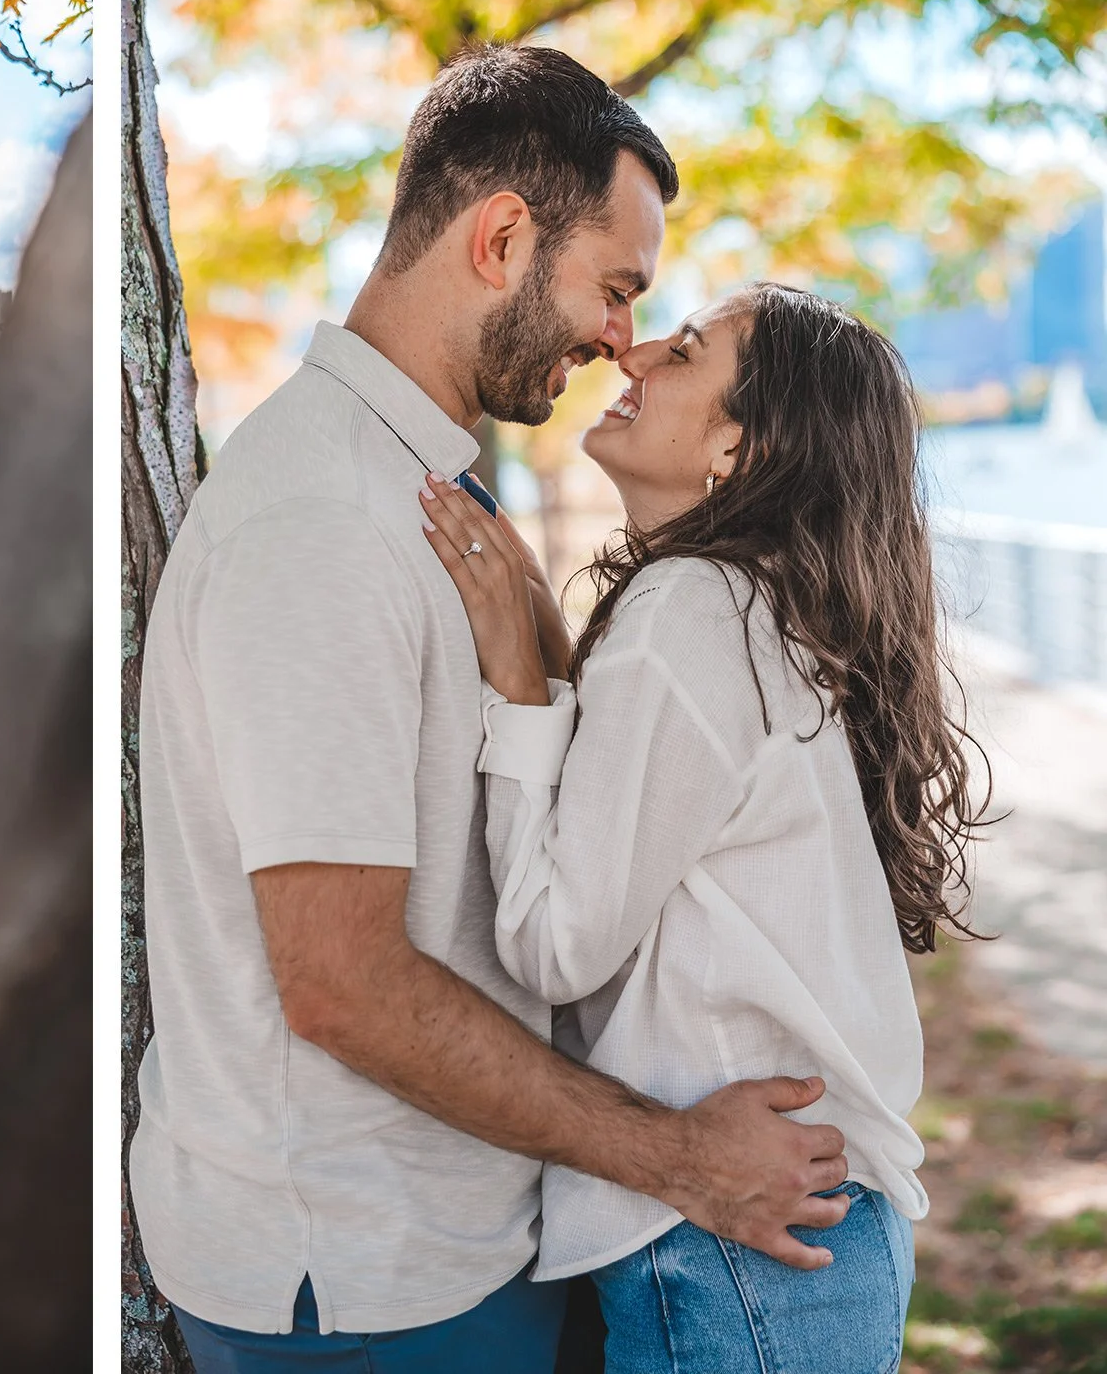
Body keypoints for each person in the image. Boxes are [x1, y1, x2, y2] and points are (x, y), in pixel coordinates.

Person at [130, 43, 852, 1370]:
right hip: (367, 1278)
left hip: (470, 1231)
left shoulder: (423, 489)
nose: (622, 337)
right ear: (503, 237)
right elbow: (341, 983)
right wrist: (681, 1157)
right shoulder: (319, 524)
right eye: (616, 288)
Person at [420, 284, 984, 1369]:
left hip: (741, 1254)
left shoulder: (692, 609)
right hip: (799, 1239)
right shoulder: (755, 609)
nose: (628, 359)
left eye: (683, 354)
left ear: (741, 441)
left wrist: (513, 678)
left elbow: (551, 944)